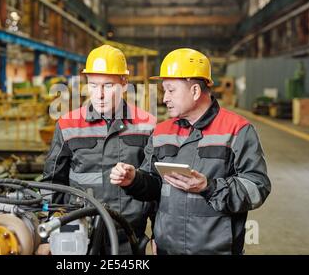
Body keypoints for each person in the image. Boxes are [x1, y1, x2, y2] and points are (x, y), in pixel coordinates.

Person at [109, 48, 271, 255]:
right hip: (167, 249)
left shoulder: (237, 130)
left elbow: (258, 187)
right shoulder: (162, 131)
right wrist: (134, 180)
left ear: (195, 91)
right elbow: (154, 186)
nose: (164, 98)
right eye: (163, 90)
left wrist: (209, 187)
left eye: (170, 90)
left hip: (217, 251)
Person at [42, 44, 157, 254]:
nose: (100, 94)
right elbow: (52, 182)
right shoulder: (68, 125)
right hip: (78, 234)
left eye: (108, 86)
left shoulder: (147, 125)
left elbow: (155, 185)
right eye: (93, 85)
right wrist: (45, 233)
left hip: (129, 235)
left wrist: (158, 233)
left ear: (124, 83)